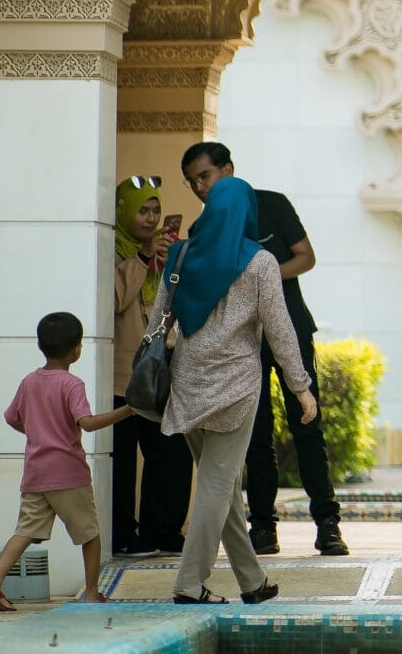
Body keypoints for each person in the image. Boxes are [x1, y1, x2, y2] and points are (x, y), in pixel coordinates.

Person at [180, 141, 347, 557]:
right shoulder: (205, 228)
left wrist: (262, 280)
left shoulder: (272, 204)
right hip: (241, 343)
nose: (200, 187)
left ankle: (327, 524)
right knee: (254, 435)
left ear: (228, 169)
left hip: (290, 328)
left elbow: (305, 257)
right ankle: (264, 528)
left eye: (205, 176)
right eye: (192, 182)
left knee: (307, 427)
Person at [161, 171, 319, 606]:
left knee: (222, 484)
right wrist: (300, 386)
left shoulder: (180, 255)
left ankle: (252, 581)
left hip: (189, 384)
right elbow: (281, 329)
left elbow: (162, 317)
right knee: (217, 484)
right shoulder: (260, 262)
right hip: (235, 387)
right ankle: (189, 583)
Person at [0, 312, 138, 609]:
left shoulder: (29, 381)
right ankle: (91, 592)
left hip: (36, 472)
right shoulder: (72, 384)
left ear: (40, 345)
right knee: (90, 533)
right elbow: (86, 423)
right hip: (68, 473)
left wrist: (37, 432)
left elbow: (12, 418)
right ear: (77, 349)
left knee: (25, 530)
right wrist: (128, 411)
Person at [110, 177, 191, 558]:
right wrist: (142, 258)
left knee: (170, 453)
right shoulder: (111, 248)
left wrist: (169, 260)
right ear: (125, 211)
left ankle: (164, 532)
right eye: (143, 210)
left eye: (155, 210)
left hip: (161, 370)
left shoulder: (164, 253)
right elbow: (114, 300)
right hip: (121, 374)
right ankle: (123, 534)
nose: (151, 218)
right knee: (121, 460)